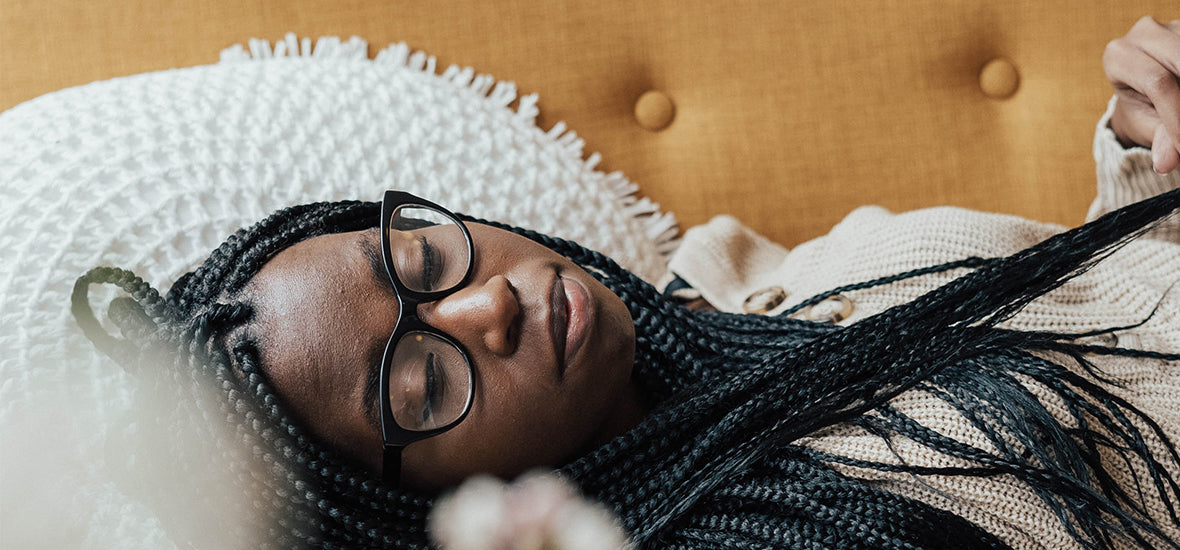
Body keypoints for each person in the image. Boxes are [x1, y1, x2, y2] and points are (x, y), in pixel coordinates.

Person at [70, 17, 1180, 550]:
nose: (484, 304)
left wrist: (1142, 157)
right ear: (419, 508)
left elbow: (1078, 342)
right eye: (419, 385)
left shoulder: (731, 287)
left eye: (422, 260)